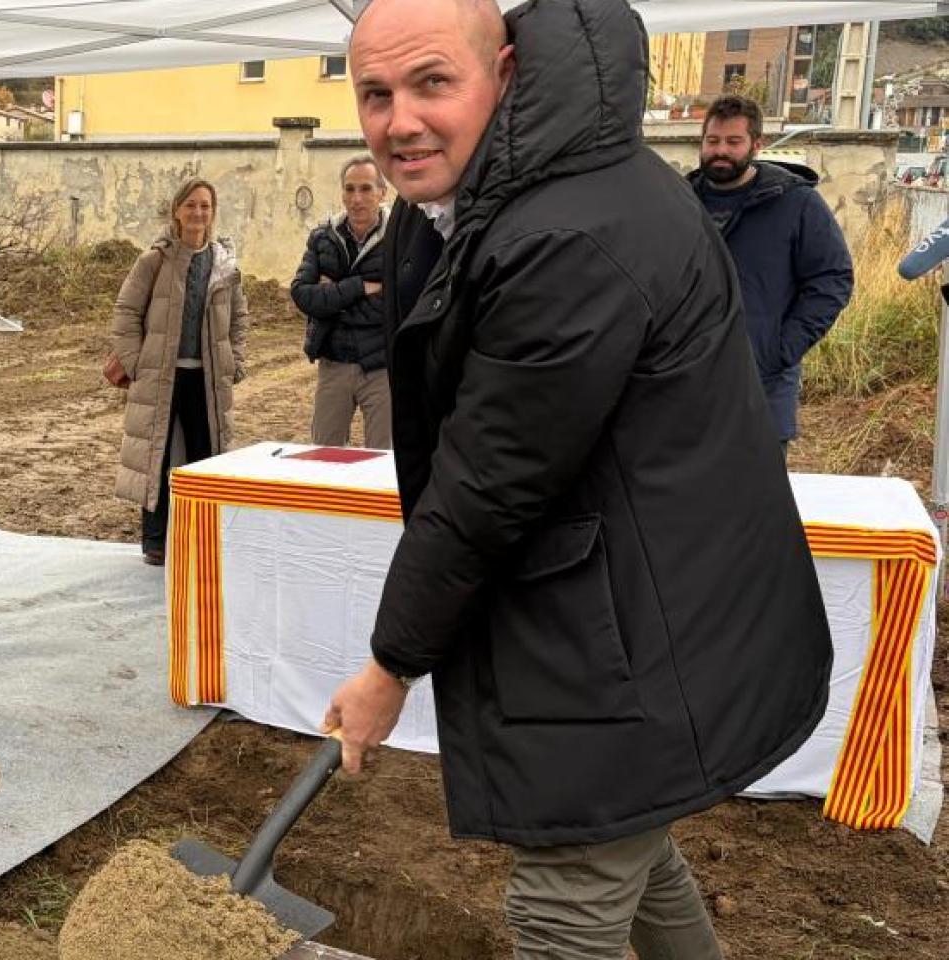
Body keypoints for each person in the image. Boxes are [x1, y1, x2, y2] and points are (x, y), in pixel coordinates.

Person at [323, 1, 832, 957]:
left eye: (434, 82)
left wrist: (392, 665)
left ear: (506, 73)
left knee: (565, 905)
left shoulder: (566, 235)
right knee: (625, 849)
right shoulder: (515, 191)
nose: (400, 122)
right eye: (376, 94)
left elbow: (489, 483)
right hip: (625, 608)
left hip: (634, 629)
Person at [689, 94, 854, 449]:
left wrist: (780, 348)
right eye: (712, 141)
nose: (720, 150)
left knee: (758, 500)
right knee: (688, 501)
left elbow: (832, 278)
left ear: (756, 144)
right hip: (686, 388)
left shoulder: (796, 203)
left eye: (733, 142)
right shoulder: (680, 202)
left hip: (764, 388)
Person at [108, 178, 249, 566]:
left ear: (212, 212)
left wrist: (235, 361)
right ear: (176, 210)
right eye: (191, 205)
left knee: (207, 459)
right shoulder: (154, 260)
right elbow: (125, 313)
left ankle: (202, 537)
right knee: (158, 456)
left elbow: (239, 317)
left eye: (205, 206)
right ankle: (155, 541)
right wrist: (138, 364)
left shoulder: (224, 265)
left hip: (207, 379)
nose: (198, 213)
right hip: (162, 377)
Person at [291, 155, 392, 448]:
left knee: (383, 463)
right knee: (323, 458)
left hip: (381, 368)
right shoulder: (322, 237)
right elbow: (302, 294)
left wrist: (332, 298)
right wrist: (360, 287)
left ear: (382, 193)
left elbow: (398, 303)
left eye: (365, 189)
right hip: (333, 364)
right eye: (349, 189)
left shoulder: (399, 238)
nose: (356, 198)